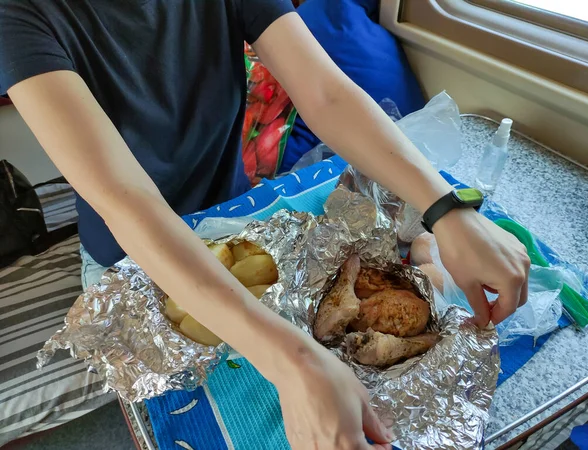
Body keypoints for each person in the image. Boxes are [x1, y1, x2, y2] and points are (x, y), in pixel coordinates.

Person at [0, 1, 530, 448]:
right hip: (135, 255)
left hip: (238, 217)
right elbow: (125, 196)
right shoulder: (18, 12)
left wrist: (445, 208)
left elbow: (325, 92)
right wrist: (294, 360)